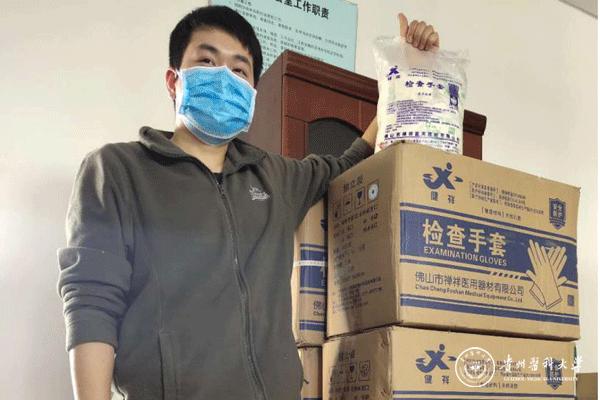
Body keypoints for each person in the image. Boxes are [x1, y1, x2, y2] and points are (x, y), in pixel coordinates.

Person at [57, 6, 440, 400]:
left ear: (252, 94)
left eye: (239, 70)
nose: (225, 77)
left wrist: (405, 71)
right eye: (207, 61)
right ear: (173, 81)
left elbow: (350, 161)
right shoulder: (118, 170)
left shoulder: (274, 176)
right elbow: (91, 303)